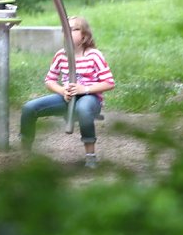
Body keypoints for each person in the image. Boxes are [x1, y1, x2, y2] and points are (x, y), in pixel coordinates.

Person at [20, 16, 115, 169]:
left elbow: (109, 82)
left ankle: (90, 156)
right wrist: (62, 90)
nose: (68, 32)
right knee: (29, 108)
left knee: (83, 109)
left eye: (74, 29)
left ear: (84, 36)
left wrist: (84, 89)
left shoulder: (94, 55)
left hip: (90, 98)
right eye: (66, 29)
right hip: (67, 98)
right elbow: (49, 80)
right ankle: (24, 153)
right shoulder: (61, 55)